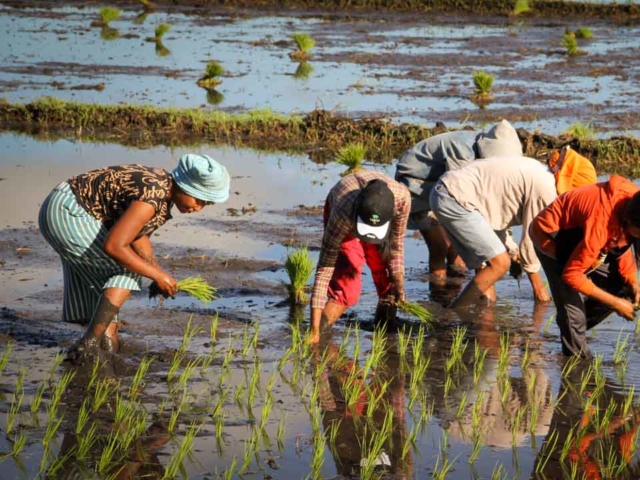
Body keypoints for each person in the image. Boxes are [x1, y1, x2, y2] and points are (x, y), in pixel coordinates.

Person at [38, 154, 230, 356]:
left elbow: (137, 237)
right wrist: (158, 276)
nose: (198, 207)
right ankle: (89, 343)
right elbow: (114, 246)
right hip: (69, 212)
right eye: (198, 199)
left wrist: (155, 269)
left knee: (113, 284)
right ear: (184, 186)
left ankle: (104, 345)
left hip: (64, 206)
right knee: (126, 270)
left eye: (206, 204)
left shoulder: (162, 187)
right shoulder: (151, 198)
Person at [395, 120, 523, 283]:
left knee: (457, 251)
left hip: (441, 185)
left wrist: (511, 247)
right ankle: (439, 292)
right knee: (439, 247)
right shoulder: (463, 153)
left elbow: (496, 207)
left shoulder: (484, 152)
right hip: (416, 184)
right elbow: (461, 199)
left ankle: (456, 289)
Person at [529, 175, 640, 358]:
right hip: (552, 237)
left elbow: (622, 243)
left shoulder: (633, 201)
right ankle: (577, 362)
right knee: (574, 312)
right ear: (630, 221)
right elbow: (571, 275)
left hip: (584, 237)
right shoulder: (602, 222)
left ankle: (572, 327)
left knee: (623, 288)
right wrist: (615, 303)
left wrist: (632, 281)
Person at [308, 171, 410, 344]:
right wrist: (313, 329)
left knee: (387, 279)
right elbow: (325, 270)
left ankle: (384, 327)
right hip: (346, 216)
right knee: (348, 286)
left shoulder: (402, 201)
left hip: (371, 215)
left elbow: (396, 245)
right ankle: (322, 333)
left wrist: (398, 280)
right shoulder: (342, 213)